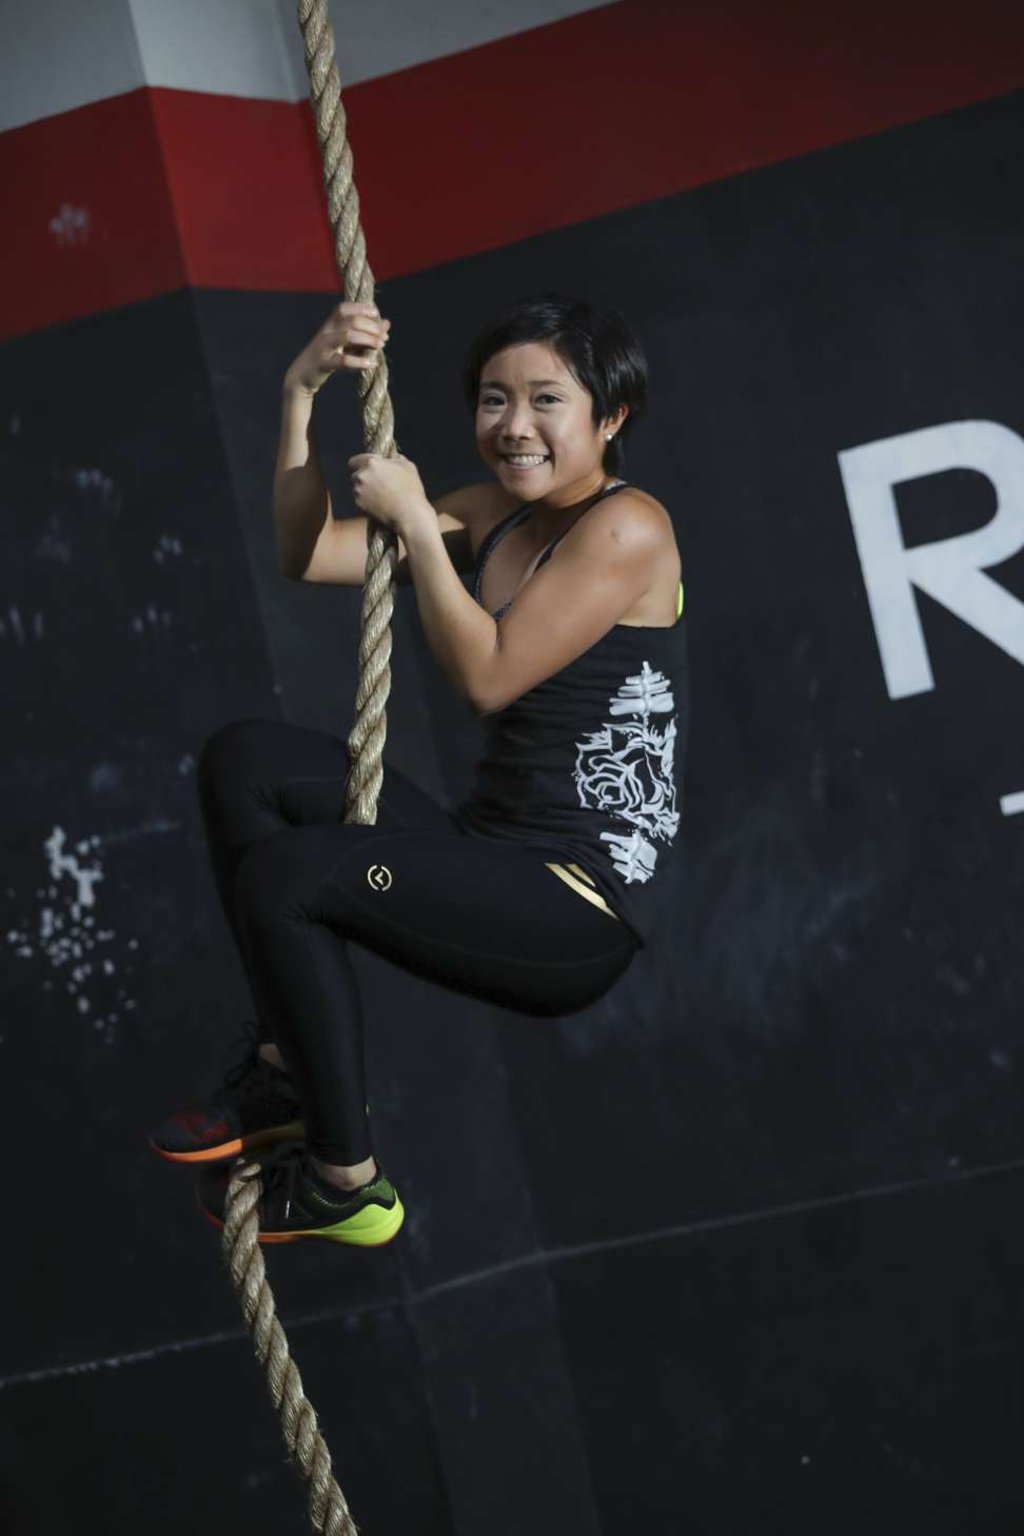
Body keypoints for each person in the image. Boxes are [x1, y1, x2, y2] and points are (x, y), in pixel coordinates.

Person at [149, 292, 688, 1248]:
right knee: (247, 760)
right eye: (492, 399)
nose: (513, 426)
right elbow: (308, 551)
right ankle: (281, 1075)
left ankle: (345, 1182)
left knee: (289, 875)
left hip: (573, 907)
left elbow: (487, 674)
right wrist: (298, 396)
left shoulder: (628, 526)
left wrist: (408, 514)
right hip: (490, 854)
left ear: (610, 419)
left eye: (546, 401)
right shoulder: (488, 516)